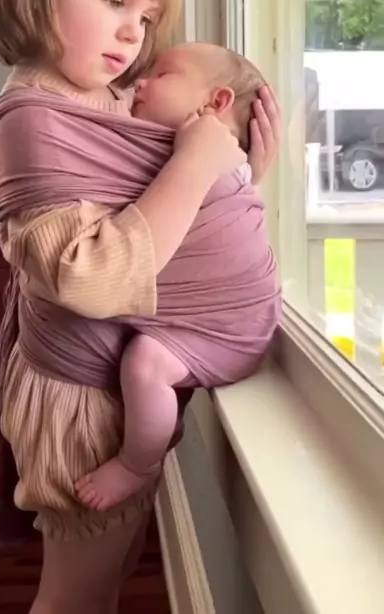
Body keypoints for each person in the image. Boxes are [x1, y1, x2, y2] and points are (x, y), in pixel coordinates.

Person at [0, 0, 280, 614]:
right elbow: (93, 277)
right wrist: (199, 165)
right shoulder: (30, 121)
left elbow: (156, 204)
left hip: (105, 386)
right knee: (75, 598)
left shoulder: (96, 98)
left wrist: (239, 174)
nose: (132, 34)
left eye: (146, 16)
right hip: (79, 399)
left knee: (101, 587)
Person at [75, 43, 282, 512]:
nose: (139, 83)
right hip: (238, 324)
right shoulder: (215, 164)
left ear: (216, 102)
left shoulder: (207, 158)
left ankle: (137, 464)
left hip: (225, 332)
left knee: (144, 364)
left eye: (162, 74)